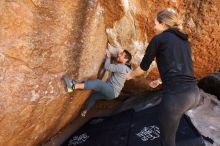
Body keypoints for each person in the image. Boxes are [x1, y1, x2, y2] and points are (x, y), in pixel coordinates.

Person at [126, 8, 200, 146]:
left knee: (167, 141)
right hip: (194, 94)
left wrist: (128, 75)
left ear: (163, 24)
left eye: (155, 23)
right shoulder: (185, 43)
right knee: (172, 124)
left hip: (177, 97)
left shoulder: (158, 39)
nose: (153, 27)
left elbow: (142, 68)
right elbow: (182, 68)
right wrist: (160, 80)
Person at [64, 49, 132, 117]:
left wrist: (108, 57)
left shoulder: (122, 67)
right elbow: (129, 71)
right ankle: (85, 111)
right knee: (94, 96)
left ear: (125, 59)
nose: (119, 54)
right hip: (113, 95)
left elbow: (107, 67)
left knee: (98, 83)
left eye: (121, 54)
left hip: (111, 90)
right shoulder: (128, 69)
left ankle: (73, 86)